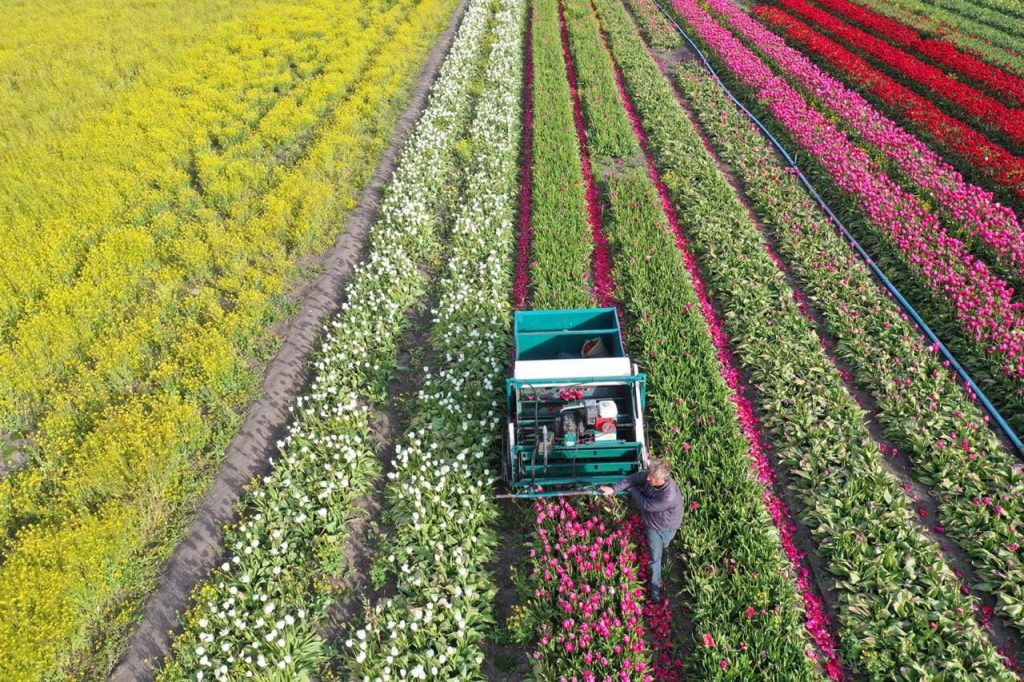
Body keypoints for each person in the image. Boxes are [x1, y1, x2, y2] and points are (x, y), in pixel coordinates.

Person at [599, 458, 683, 601]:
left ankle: (662, 552)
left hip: (667, 527)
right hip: (653, 526)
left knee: (663, 546)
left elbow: (646, 504)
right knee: (655, 558)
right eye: (649, 474)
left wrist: (632, 490)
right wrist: (613, 488)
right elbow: (633, 478)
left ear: (662, 479)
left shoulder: (668, 496)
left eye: (652, 478)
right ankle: (655, 590)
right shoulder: (649, 476)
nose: (648, 478)